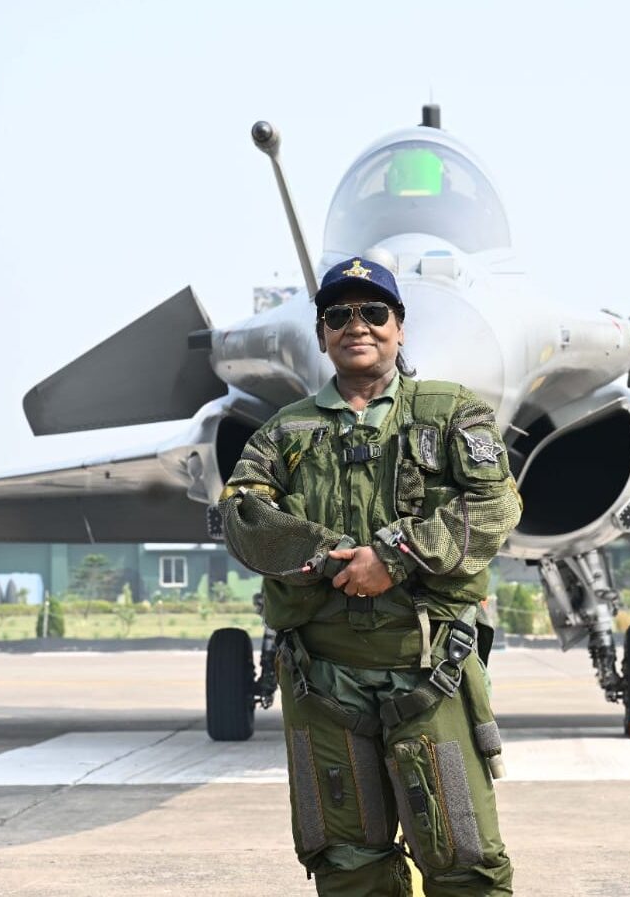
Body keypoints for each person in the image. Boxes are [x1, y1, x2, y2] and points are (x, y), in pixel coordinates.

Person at [219, 256, 520, 896]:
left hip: (429, 670)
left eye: (374, 312)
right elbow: (243, 516)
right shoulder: (285, 433)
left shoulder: (451, 414)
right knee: (348, 865)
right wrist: (329, 554)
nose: (357, 325)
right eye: (339, 315)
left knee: (463, 859)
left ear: (400, 328)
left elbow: (497, 505)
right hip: (323, 680)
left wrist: (395, 558)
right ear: (323, 333)